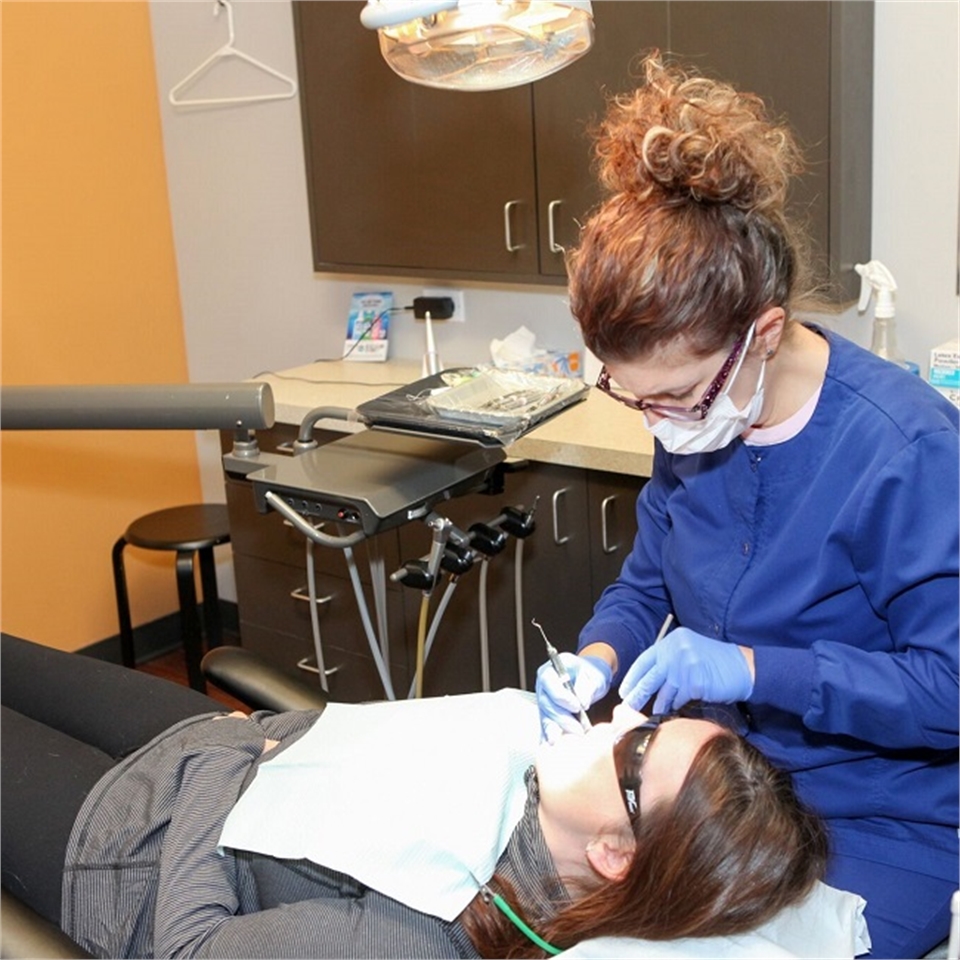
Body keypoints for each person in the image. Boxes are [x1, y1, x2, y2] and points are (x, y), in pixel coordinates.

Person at [534, 53, 960, 960]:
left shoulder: (908, 452)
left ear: (762, 333)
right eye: (634, 396)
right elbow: (649, 576)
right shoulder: (696, 405)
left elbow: (949, 690)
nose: (661, 422)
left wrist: (756, 673)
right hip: (721, 788)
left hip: (878, 819)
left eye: (676, 396)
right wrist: (600, 655)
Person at [1, 633, 827, 959]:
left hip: (128, 848)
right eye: (653, 717)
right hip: (205, 739)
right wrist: (254, 741)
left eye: (639, 747)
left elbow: (190, 952)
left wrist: (222, 771)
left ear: (615, 854)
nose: (622, 716)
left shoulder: (423, 920)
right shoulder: (520, 764)